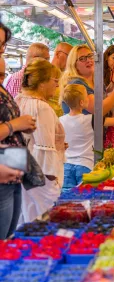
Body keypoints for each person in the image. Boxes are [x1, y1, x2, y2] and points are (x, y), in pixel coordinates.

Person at [15, 59, 65, 223]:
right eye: (55, 81)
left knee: (26, 221)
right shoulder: (41, 107)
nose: (57, 86)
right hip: (40, 179)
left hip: (22, 173)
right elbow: (45, 148)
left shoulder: (19, 100)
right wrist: (53, 184)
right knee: (43, 223)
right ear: (42, 83)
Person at [0, 23, 36, 239]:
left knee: (9, 236)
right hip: (2, 171)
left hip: (12, 168)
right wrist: (16, 125)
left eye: (3, 45)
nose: (2, 50)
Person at [60, 84, 114, 191]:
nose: (89, 97)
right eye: (87, 95)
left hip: (66, 166)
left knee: (66, 199)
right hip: (85, 165)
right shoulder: (90, 119)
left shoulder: (60, 120)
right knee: (86, 197)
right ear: (81, 102)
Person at [59, 44, 114, 117]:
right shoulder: (76, 83)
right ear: (74, 64)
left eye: (90, 56)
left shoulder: (95, 78)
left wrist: (113, 83)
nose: (89, 60)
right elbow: (98, 110)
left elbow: (104, 93)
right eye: (82, 58)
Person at [48, 42, 73, 118]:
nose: (71, 61)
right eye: (69, 57)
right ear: (58, 54)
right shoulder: (45, 73)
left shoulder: (66, 76)